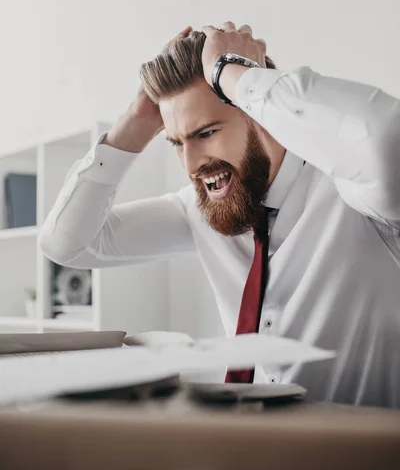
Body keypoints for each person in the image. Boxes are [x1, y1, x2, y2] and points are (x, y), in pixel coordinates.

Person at [40, 22, 400, 407]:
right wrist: (135, 122)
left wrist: (235, 74)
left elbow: (385, 142)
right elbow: (67, 245)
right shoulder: (199, 210)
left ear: (260, 114)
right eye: (177, 142)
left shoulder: (356, 193)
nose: (191, 163)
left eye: (206, 133)